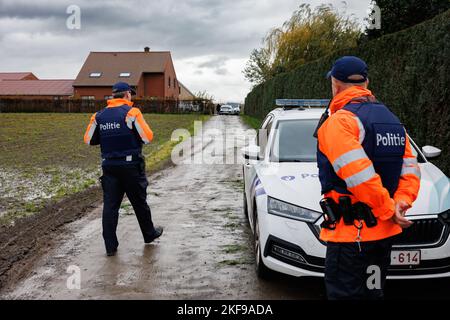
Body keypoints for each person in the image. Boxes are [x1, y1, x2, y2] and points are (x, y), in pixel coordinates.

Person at [316, 56, 421, 299]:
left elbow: (359, 176)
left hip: (352, 237)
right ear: (366, 82)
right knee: (373, 294)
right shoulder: (392, 121)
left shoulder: (340, 122)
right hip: (383, 236)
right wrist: (400, 203)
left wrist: (386, 209)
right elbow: (410, 169)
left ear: (335, 84)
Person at [84, 82, 163, 256]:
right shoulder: (132, 113)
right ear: (127, 94)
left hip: (109, 166)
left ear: (113, 96)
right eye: (131, 95)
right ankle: (149, 234)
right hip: (131, 166)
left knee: (110, 206)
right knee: (139, 203)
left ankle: (110, 247)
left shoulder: (98, 116)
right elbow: (147, 137)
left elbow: (89, 140)